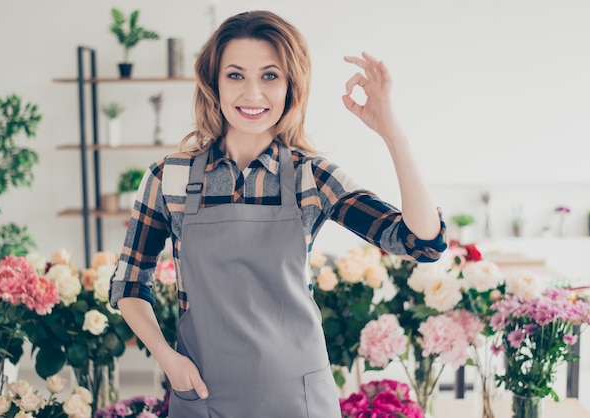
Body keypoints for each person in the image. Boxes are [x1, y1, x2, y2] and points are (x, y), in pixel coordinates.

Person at [109, 9, 447, 418]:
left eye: (270, 76)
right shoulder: (170, 178)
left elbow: (422, 243)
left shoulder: (311, 177)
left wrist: (393, 133)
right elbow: (129, 283)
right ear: (214, 83)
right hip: (201, 393)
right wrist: (167, 359)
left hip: (298, 398)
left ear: (291, 86)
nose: (252, 94)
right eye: (235, 75)